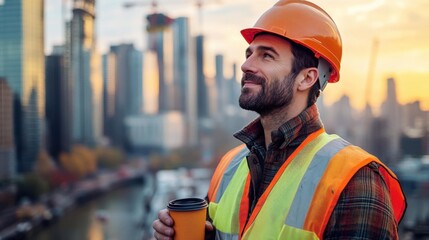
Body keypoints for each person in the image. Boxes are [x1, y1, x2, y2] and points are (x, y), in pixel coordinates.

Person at [152, 0, 407, 239]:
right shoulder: (229, 166)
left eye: (267, 56)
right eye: (249, 53)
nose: (246, 65)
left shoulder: (356, 180)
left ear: (306, 79)